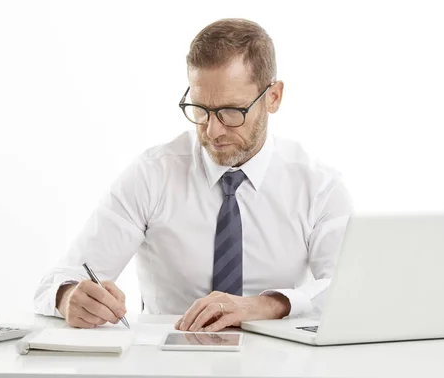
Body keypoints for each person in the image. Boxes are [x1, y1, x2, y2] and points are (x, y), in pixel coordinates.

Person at [34, 18, 353, 332]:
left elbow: (349, 291)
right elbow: (58, 280)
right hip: (170, 359)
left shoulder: (319, 187)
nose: (213, 131)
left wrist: (266, 305)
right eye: (200, 109)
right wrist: (68, 297)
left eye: (231, 111)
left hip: (279, 361)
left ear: (273, 97)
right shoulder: (152, 174)